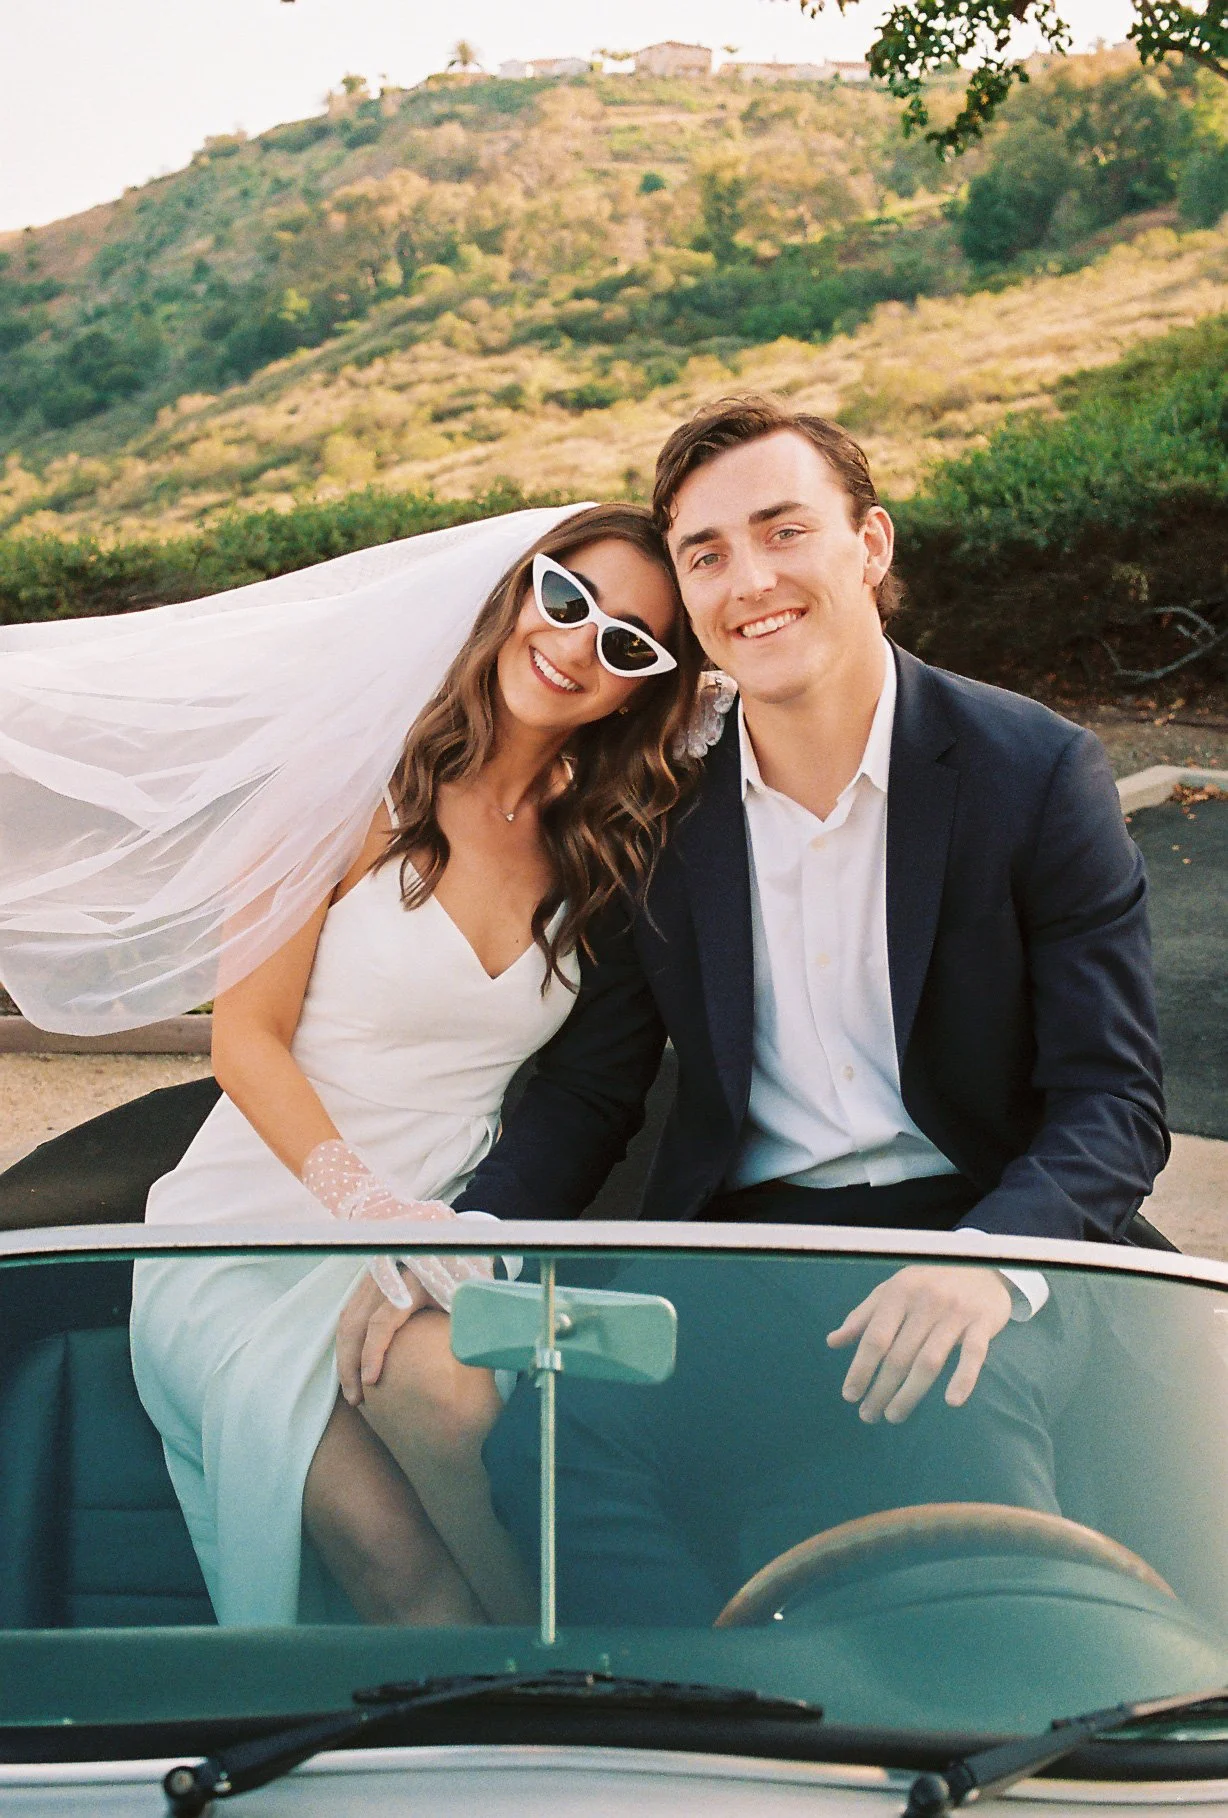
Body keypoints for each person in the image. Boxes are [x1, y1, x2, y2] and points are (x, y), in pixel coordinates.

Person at [362, 395, 1168, 1623]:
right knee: (557, 1448)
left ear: (870, 545)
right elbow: (590, 1089)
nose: (749, 581)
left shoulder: (1035, 772)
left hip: (980, 1219)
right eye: (706, 555)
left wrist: (986, 1264)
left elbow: (1112, 1101)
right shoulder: (661, 816)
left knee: (959, 1428)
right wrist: (462, 1236)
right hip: (745, 1249)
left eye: (784, 531)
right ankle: (701, 1707)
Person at [0, 503, 704, 1626]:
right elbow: (245, 1039)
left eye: (627, 643)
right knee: (385, 1553)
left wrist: (452, 1232)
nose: (576, 646)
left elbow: (591, 1091)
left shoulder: (604, 847)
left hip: (449, 1225)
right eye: (565, 598)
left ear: (642, 689)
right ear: (517, 589)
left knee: (474, 1460)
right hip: (254, 1231)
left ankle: (578, 1680)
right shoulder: (346, 788)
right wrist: (370, 1212)